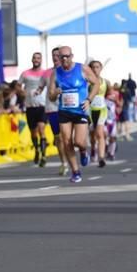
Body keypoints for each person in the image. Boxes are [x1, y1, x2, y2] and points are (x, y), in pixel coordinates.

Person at [48, 46, 99, 183]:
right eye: (62, 56)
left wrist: (89, 100)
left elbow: (96, 83)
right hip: (64, 111)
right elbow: (50, 97)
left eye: (67, 56)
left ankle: (83, 151)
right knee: (66, 141)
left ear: (72, 56)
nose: (65, 59)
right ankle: (76, 172)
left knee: (79, 141)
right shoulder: (55, 73)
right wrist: (55, 93)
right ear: (58, 58)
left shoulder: (82, 69)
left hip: (80, 110)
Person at [39, 47, 68, 175]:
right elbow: (41, 86)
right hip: (52, 108)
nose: (55, 57)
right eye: (53, 55)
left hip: (67, 107)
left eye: (58, 55)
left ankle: (70, 158)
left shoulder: (69, 71)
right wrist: (37, 91)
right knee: (58, 138)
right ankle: (64, 163)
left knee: (66, 137)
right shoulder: (46, 73)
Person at [19, 52, 48, 167]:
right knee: (33, 132)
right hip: (30, 106)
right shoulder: (25, 73)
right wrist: (22, 93)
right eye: (34, 58)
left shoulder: (45, 73)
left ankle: (44, 156)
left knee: (42, 130)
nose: (36, 60)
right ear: (32, 60)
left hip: (42, 105)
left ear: (41, 60)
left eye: (38, 58)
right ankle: (37, 150)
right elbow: (18, 85)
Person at [87, 60, 110, 167]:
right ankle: (93, 148)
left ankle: (101, 157)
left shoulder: (106, 82)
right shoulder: (86, 82)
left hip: (102, 110)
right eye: (93, 67)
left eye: (97, 67)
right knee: (92, 135)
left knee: (99, 133)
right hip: (91, 111)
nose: (95, 69)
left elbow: (108, 94)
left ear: (101, 68)